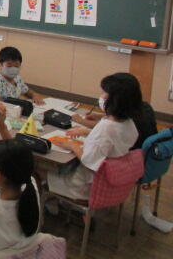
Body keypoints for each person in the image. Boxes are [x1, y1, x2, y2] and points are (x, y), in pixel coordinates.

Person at [45, 73, 141, 201]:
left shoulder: (106, 128)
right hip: (113, 181)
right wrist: (86, 132)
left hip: (85, 186)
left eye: (104, 92)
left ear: (115, 100)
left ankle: (46, 204)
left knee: (40, 170)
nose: (101, 96)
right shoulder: (129, 122)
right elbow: (112, 139)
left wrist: (72, 145)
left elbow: (88, 160)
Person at [72, 72, 157, 150]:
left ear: (116, 98)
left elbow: (109, 130)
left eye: (104, 92)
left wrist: (81, 121)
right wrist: (99, 116)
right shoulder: (143, 107)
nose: (101, 96)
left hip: (130, 154)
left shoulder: (127, 124)